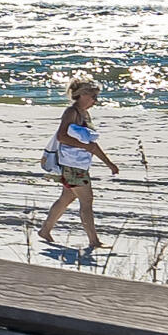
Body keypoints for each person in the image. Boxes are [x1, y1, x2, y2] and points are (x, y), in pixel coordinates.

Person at [36, 77, 121, 257]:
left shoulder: (84, 114)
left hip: (78, 164)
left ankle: (45, 230)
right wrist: (84, 147)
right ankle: (94, 240)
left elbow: (92, 143)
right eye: (92, 96)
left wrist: (108, 163)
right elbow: (61, 137)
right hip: (72, 166)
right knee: (87, 201)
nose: (95, 101)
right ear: (81, 95)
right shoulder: (71, 112)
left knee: (66, 198)